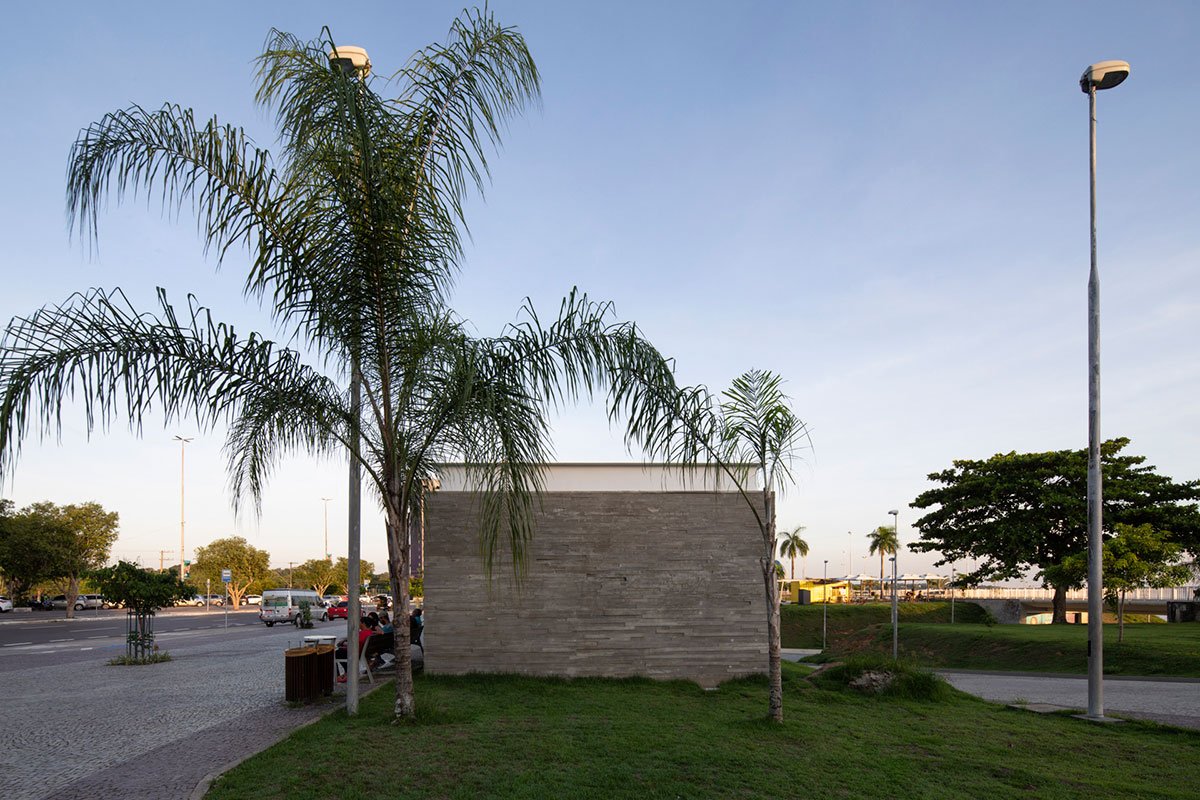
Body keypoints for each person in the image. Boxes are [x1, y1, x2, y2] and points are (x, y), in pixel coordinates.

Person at [335, 617, 377, 683]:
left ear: (363, 623)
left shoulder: (363, 633)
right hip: (362, 652)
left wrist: (343, 643)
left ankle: (339, 676)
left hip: (356, 653)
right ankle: (347, 673)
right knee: (339, 652)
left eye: (359, 622)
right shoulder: (369, 632)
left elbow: (355, 644)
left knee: (335, 654)